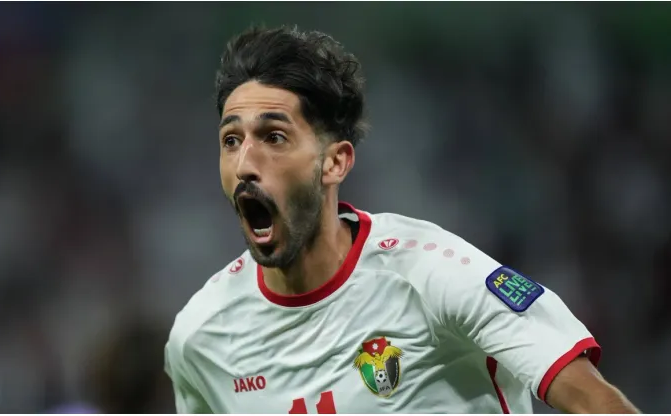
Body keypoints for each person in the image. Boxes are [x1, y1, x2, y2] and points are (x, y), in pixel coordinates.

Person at [164, 26, 639, 414]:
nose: (245, 163)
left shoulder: (433, 276)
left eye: (274, 137)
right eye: (231, 141)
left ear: (335, 162)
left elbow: (596, 403)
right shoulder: (202, 337)